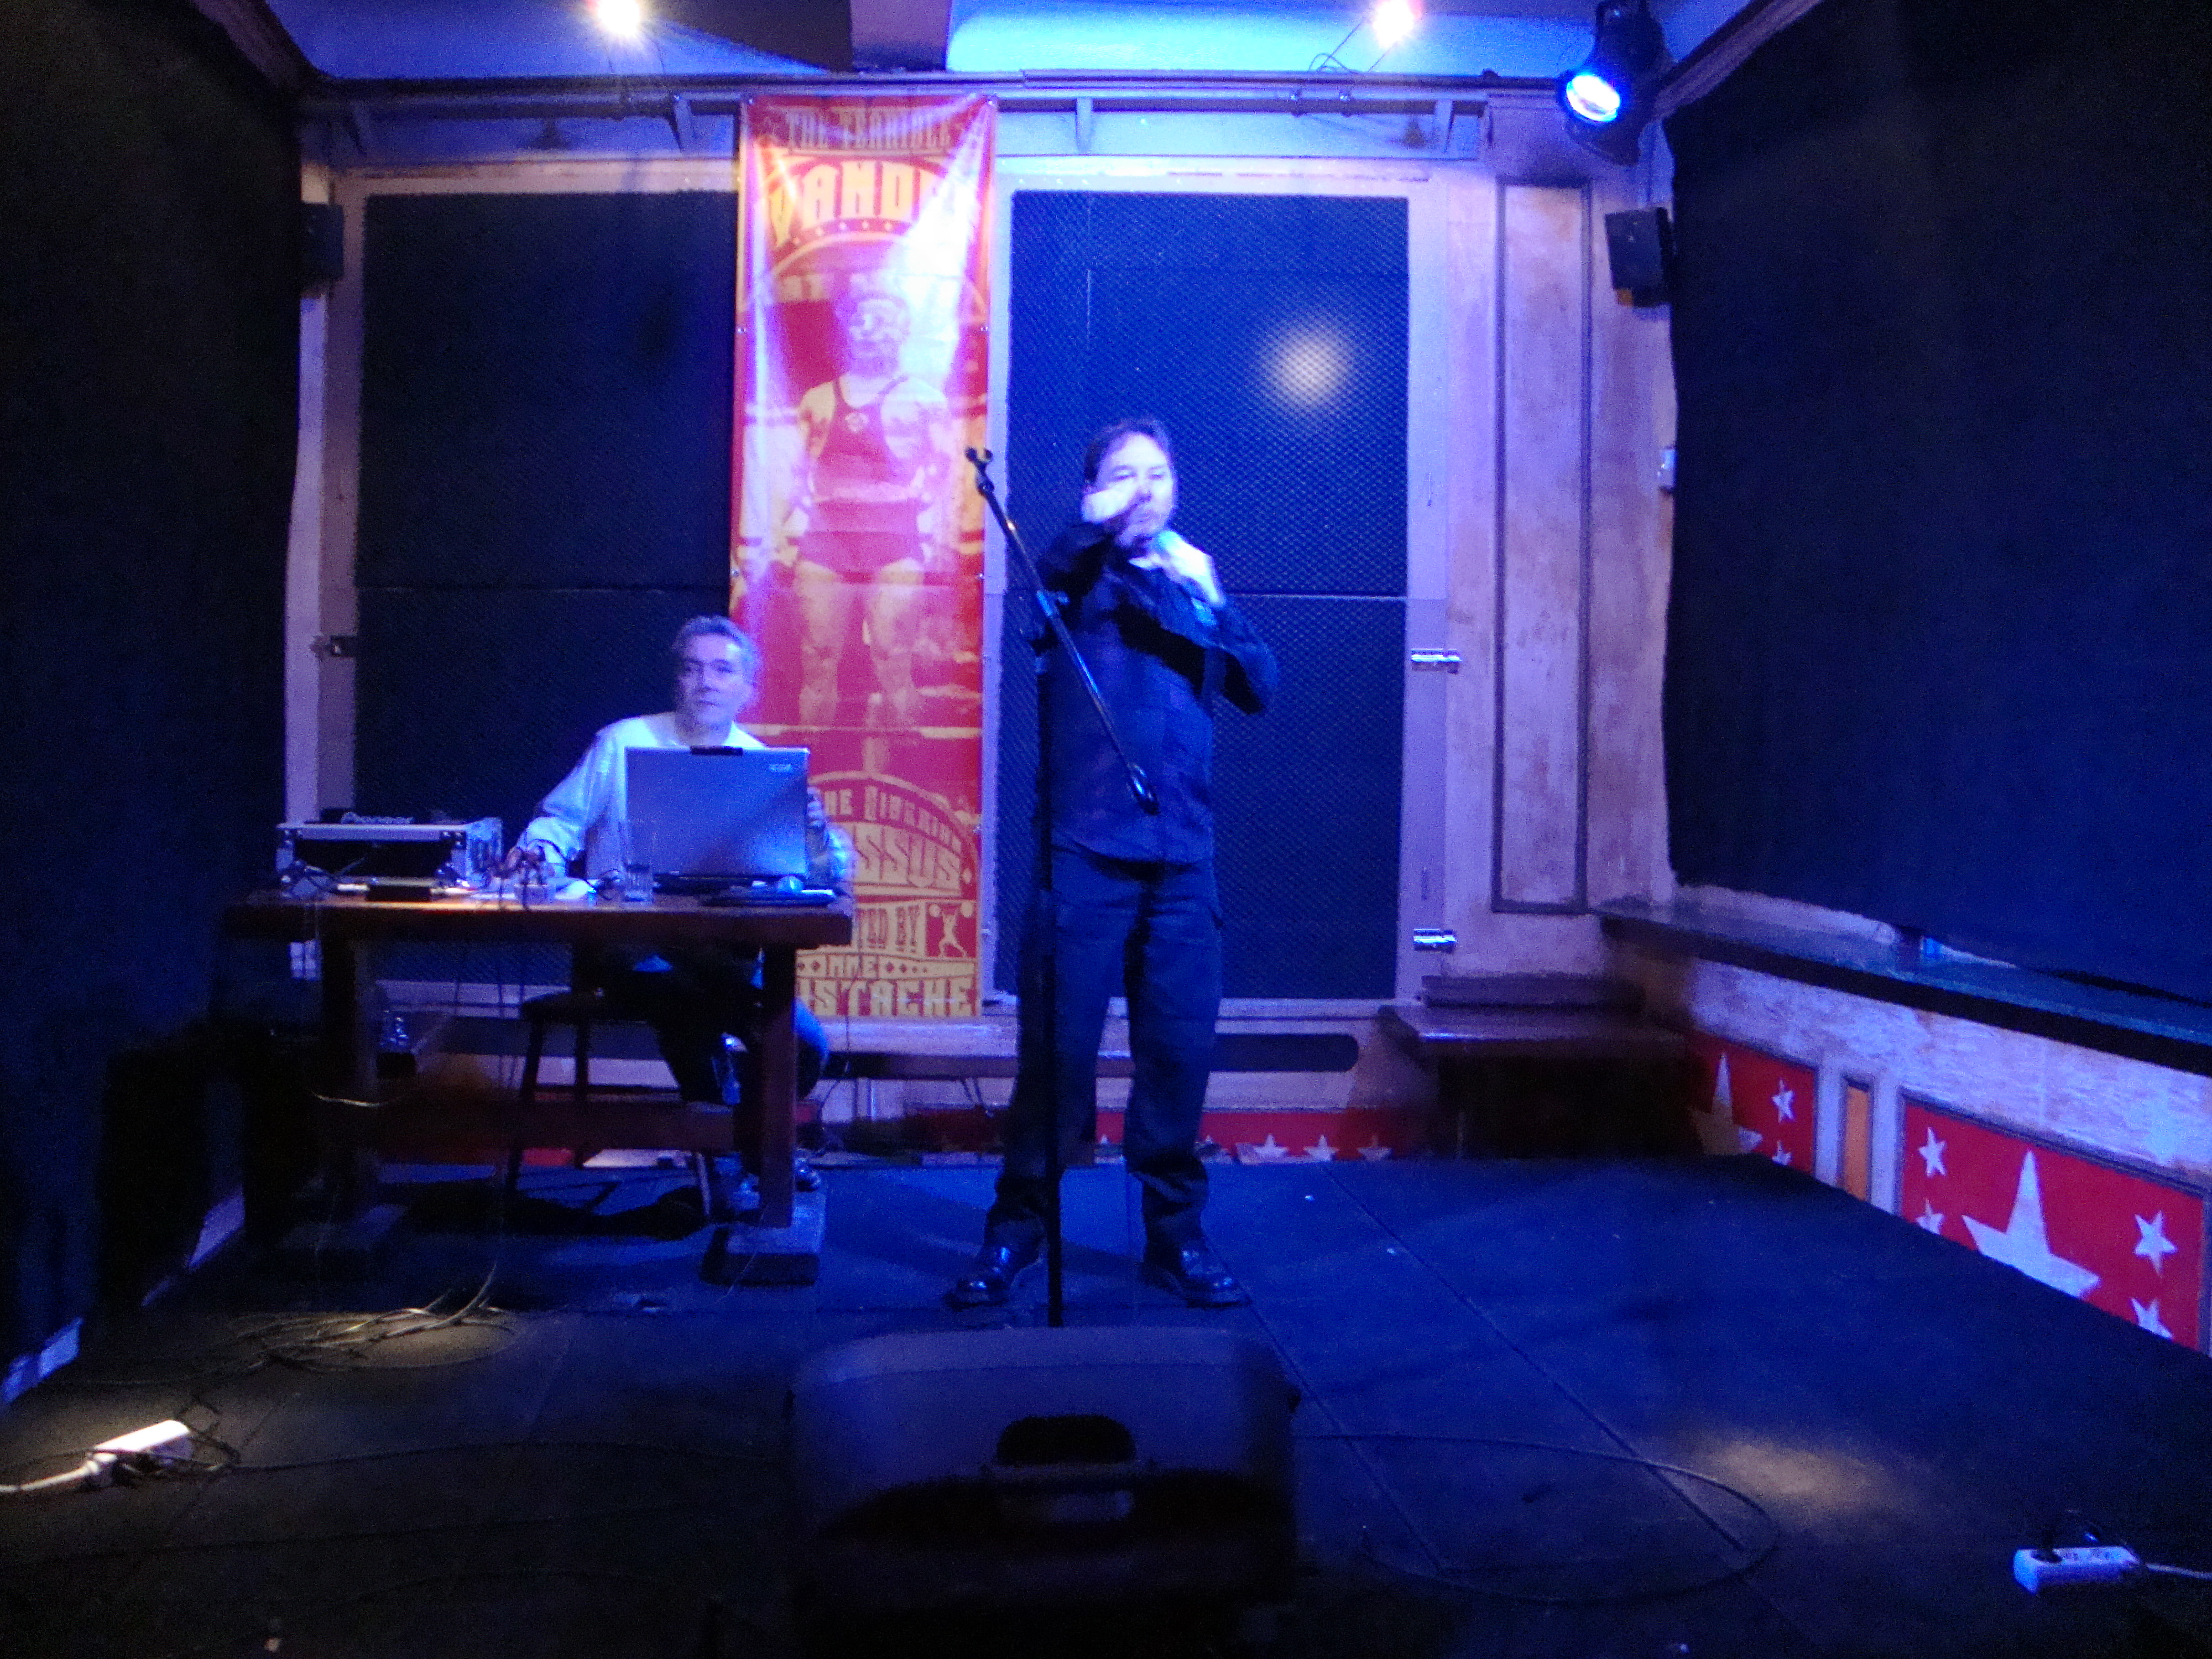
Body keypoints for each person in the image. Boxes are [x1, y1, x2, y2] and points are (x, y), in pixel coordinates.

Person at [949, 419, 1277, 1310]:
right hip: (1085, 856)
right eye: (1124, 474)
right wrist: (1093, 520)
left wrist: (1212, 596)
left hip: (1184, 863)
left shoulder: (1191, 584)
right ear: (1095, 489)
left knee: (1178, 1057)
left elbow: (1260, 685)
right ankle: (1018, 1228)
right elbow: (1049, 568)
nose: (1145, 488)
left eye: (1158, 474)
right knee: (1057, 1059)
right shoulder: (1072, 573)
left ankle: (1176, 1238)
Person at [504, 615, 852, 1196]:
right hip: (629, 948)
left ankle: (750, 1144)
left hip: (722, 954)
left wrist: (814, 832)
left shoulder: (761, 764)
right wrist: (538, 851)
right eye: (692, 669)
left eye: (722, 670)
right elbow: (560, 821)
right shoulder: (623, 742)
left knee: (805, 1045)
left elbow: (821, 873)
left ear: (748, 688)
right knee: (687, 1009)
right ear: (676, 681)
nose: (706, 682)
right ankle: (735, 1163)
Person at [776, 280, 957, 747]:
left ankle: (906, 759)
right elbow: (794, 475)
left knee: (893, 654)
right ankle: (814, 760)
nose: (871, 330)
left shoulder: (925, 400)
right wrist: (775, 538)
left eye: (883, 322)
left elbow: (947, 476)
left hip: (894, 538)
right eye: (861, 321)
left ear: (903, 333)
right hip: (827, 538)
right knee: (817, 655)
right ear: (849, 331)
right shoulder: (818, 400)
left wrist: (941, 538)